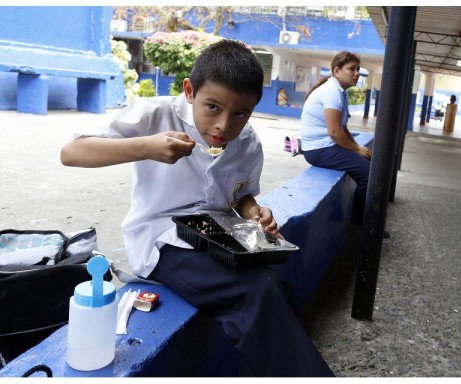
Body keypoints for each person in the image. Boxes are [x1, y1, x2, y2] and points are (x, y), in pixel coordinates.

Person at [60, 40, 333, 377]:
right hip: (161, 239)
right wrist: (147, 147)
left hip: (219, 236)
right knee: (255, 293)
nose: (223, 126)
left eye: (240, 114)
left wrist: (253, 212)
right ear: (190, 91)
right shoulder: (155, 114)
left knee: (279, 279)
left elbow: (239, 195)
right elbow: (71, 152)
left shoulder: (247, 142)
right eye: (213, 107)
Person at [299, 51, 389, 238]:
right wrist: (356, 149)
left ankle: (365, 219)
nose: (356, 73)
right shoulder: (332, 92)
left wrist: (358, 149)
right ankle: (364, 224)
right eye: (351, 69)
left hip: (326, 146)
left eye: (358, 69)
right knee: (368, 174)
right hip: (319, 149)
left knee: (369, 166)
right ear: (336, 70)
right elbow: (334, 133)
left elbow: (343, 128)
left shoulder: (338, 91)